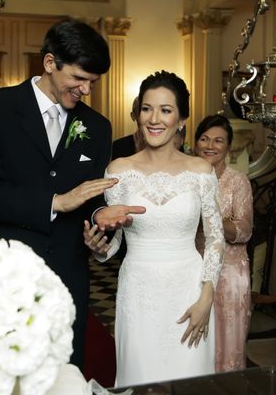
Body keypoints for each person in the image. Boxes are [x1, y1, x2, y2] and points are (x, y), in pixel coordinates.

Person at [0, 18, 144, 370]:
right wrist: (55, 203)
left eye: (93, 82)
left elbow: (89, 198)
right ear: (49, 63)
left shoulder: (97, 127)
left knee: (62, 373)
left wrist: (99, 220)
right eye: (78, 78)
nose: (86, 90)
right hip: (3, 273)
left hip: (66, 275)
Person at [84, 71, 225, 386]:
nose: (154, 119)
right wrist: (100, 248)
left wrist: (207, 298)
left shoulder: (201, 171)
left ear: (182, 118)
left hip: (190, 291)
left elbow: (215, 239)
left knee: (189, 381)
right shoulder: (119, 170)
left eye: (165, 110)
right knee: (140, 380)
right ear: (137, 114)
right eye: (147, 108)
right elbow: (117, 239)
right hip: (138, 290)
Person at [194, 114, 253, 372]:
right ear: (195, 143)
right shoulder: (189, 178)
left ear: (228, 147)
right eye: (204, 139)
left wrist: (211, 215)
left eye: (218, 140)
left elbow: (243, 230)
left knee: (227, 346)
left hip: (230, 274)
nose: (210, 145)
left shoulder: (238, 181)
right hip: (195, 269)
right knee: (197, 342)